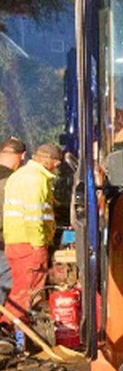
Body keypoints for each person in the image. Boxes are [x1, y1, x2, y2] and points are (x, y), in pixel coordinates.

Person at [3, 143, 63, 335]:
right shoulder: (35, 180)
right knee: (27, 292)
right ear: (49, 161)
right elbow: (33, 216)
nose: (57, 168)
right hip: (29, 245)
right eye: (57, 164)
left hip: (16, 242)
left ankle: (15, 333)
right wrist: (39, 246)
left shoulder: (19, 175)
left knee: (21, 288)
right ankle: (7, 331)